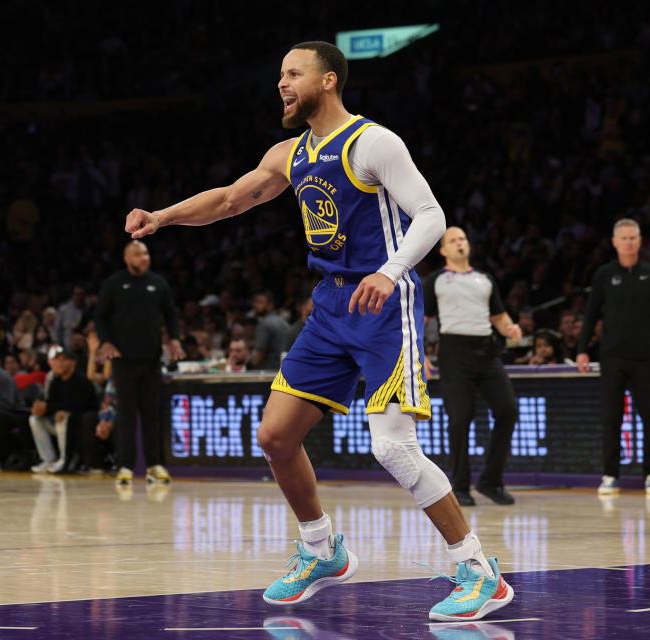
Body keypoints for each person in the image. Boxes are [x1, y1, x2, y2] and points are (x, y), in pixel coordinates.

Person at [123, 41, 512, 621]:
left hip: (384, 303)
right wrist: (163, 216)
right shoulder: (289, 153)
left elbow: (431, 214)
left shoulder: (373, 142)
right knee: (275, 437)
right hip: (331, 307)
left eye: (293, 73)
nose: (282, 83)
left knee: (392, 447)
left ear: (328, 81)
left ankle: (478, 569)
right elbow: (231, 199)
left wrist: (390, 270)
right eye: (280, 74)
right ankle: (320, 549)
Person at [423, 227, 522, 507]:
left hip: (486, 349)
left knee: (508, 409)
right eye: (453, 240)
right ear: (443, 250)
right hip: (454, 351)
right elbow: (421, 318)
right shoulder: (437, 280)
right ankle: (461, 485)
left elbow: (500, 318)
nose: (460, 243)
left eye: (463, 239)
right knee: (459, 419)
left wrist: (511, 329)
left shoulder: (484, 279)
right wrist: (420, 354)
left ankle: (491, 481)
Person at [577, 219, 650, 496]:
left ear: (640, 242)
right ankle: (610, 475)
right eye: (624, 238)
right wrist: (582, 348)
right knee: (611, 418)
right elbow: (591, 314)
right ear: (615, 242)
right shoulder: (604, 274)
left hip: (646, 357)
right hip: (612, 356)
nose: (629, 242)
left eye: (633, 237)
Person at [95, 241, 184, 486]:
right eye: (137, 253)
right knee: (125, 415)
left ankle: (155, 466)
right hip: (123, 361)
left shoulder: (158, 283)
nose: (143, 257)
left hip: (152, 359)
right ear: (126, 258)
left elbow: (171, 315)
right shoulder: (113, 284)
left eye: (145, 252)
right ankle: (125, 466)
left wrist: (175, 339)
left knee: (151, 415)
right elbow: (100, 317)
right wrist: (105, 342)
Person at [30, 345, 99, 473]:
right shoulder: (55, 382)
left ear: (73, 362)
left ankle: (64, 458)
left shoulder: (82, 381)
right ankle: (48, 459)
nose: (59, 363)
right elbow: (51, 403)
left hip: (77, 424)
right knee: (34, 419)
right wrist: (41, 408)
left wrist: (53, 408)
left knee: (62, 415)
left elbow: (80, 405)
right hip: (59, 425)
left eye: (63, 360)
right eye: (56, 360)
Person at [252, 291, 291, 370]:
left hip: (267, 373)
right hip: (284, 371)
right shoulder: (284, 322)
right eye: (255, 302)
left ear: (270, 305)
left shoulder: (263, 324)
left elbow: (260, 354)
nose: (256, 305)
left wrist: (249, 367)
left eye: (260, 302)